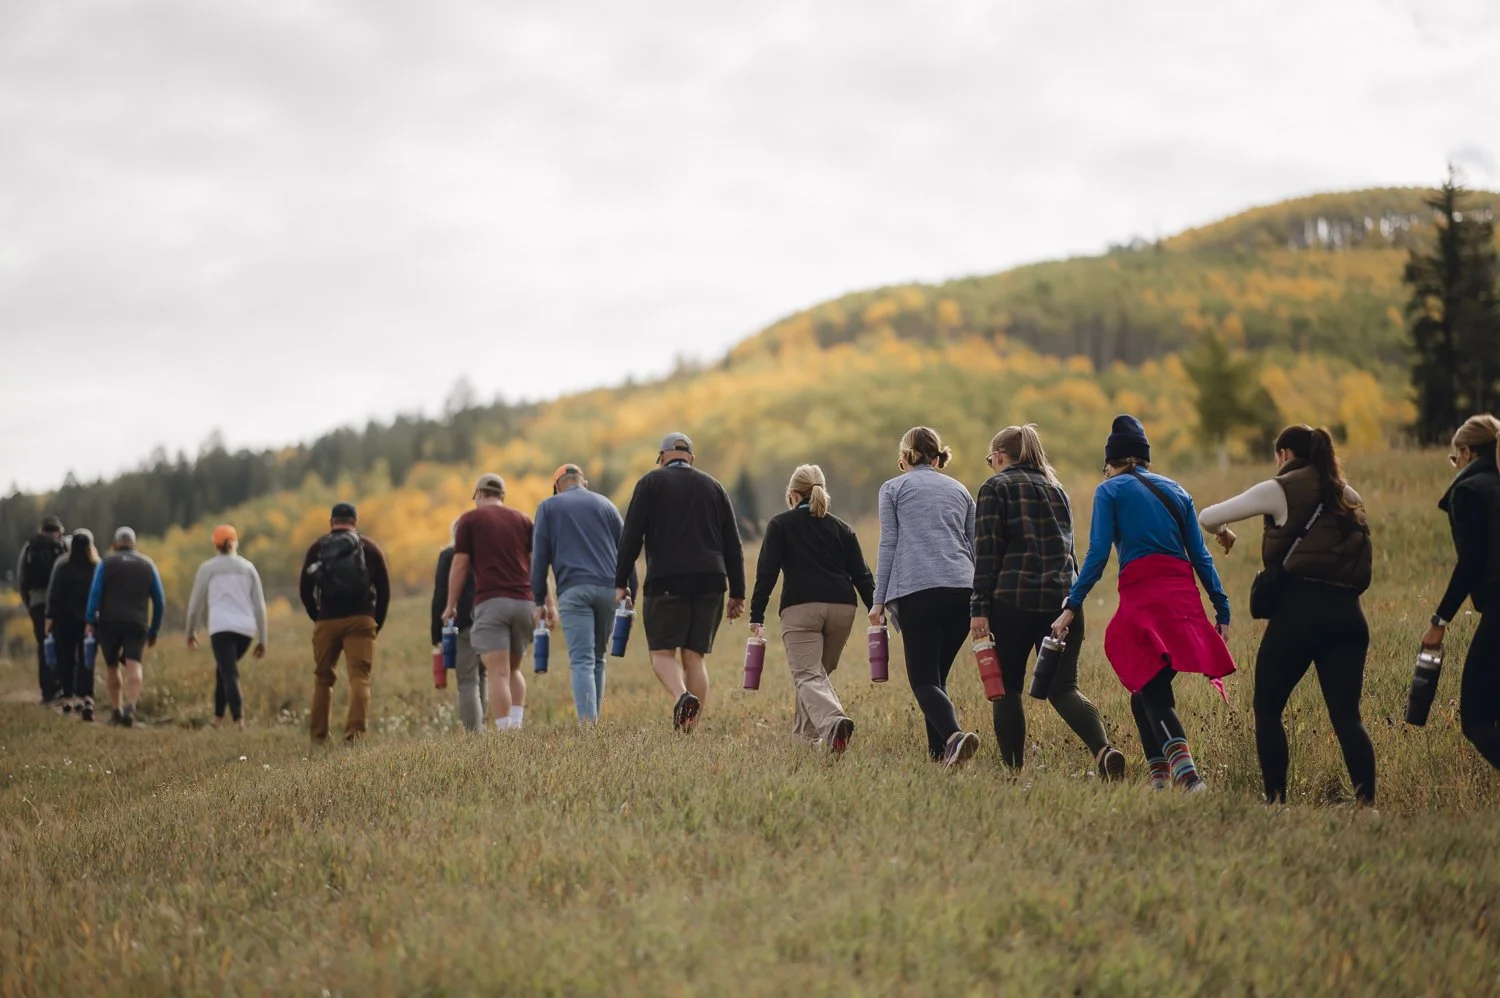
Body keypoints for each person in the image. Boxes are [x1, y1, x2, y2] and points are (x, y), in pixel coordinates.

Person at [1052, 416, 1234, 793]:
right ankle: (1160, 781)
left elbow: (1098, 553)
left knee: (1152, 691)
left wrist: (1073, 602)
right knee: (1143, 694)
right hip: (1182, 595)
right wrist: (1221, 607)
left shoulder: (1110, 491)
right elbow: (1201, 556)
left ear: (1113, 460)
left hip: (1144, 598)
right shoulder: (1177, 491)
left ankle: (1189, 778)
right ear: (1145, 458)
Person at [1200, 425, 1375, 805]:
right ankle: (1367, 806)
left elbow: (1208, 516)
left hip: (1299, 614)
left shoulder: (1278, 488)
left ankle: (1277, 803)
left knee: (1267, 707)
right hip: (1349, 616)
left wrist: (1225, 534)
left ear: (1283, 454)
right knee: (1347, 717)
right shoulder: (1349, 496)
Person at [969, 425, 1125, 778]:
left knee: (1007, 688)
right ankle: (1103, 751)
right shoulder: (1057, 489)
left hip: (1013, 602)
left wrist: (979, 609)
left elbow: (987, 554)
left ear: (1000, 456)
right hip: (1062, 604)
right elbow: (1068, 552)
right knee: (1064, 688)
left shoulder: (995, 487)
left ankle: (1013, 773)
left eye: (990, 458)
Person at [614, 432, 746, 733]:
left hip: (667, 579)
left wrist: (620, 582)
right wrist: (737, 592)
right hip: (711, 580)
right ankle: (690, 729)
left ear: (662, 458)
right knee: (694, 656)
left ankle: (682, 695)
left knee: (661, 653)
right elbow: (733, 544)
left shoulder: (650, 483)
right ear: (691, 458)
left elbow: (631, 538)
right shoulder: (714, 486)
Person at [870, 426, 982, 767]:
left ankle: (954, 737)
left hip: (919, 591)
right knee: (935, 679)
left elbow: (889, 543)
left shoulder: (893, 488)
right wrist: (983, 598)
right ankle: (939, 757)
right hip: (963, 592)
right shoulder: (960, 490)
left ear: (904, 457)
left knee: (922, 680)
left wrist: (878, 601)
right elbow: (977, 546)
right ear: (937, 457)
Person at [749, 464, 873, 753]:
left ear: (793, 495)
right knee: (815, 676)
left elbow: (766, 574)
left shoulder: (780, 525)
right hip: (843, 609)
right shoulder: (843, 528)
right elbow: (862, 574)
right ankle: (804, 741)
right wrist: (875, 609)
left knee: (806, 676)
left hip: (801, 609)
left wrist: (756, 615)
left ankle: (834, 722)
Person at [1421, 414, 1500, 770]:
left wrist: (1440, 619)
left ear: (1466, 452)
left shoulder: (1469, 491)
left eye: (1456, 457)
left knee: (1477, 719)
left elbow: (1470, 563)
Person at [532, 463, 635, 724]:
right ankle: (594, 723)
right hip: (609, 589)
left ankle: (589, 727)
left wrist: (538, 600)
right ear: (583, 482)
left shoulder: (548, 507)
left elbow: (540, 559)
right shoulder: (606, 505)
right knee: (598, 657)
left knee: (581, 660)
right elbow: (627, 550)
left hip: (574, 590)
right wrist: (630, 588)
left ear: (557, 487)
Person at [444, 474, 534, 732]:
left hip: (491, 603)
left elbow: (460, 565)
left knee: (498, 672)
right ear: (502, 495)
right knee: (514, 669)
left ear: (479, 494)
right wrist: (546, 602)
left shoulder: (469, 520)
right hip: (524, 603)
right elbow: (535, 564)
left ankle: (505, 731)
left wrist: (450, 605)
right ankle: (515, 727)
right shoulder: (523, 519)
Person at [299, 502, 391, 743]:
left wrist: (317, 616)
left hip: (327, 620)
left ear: (332, 522)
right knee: (359, 677)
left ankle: (319, 738)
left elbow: (304, 589)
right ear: (355, 521)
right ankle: (354, 736)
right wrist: (374, 622)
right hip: (361, 619)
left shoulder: (317, 548)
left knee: (323, 678)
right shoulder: (370, 548)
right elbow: (384, 590)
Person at [186, 525, 269, 730]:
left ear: (215, 545)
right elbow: (259, 606)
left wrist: (191, 632)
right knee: (223, 669)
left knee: (228, 671)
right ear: (235, 542)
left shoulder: (208, 568)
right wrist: (262, 639)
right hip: (246, 631)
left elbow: (195, 604)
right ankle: (217, 719)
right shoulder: (248, 567)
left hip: (221, 628)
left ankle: (239, 720)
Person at [85, 526, 166, 727]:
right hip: (137, 622)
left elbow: (95, 595)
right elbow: (159, 601)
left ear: (115, 544)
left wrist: (90, 621)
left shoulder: (105, 563)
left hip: (109, 622)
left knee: (112, 666)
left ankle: (116, 710)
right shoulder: (148, 565)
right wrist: (154, 630)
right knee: (134, 665)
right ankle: (131, 707)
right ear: (134, 545)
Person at [432, 519, 485, 732]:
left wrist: (436, 636)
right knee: (484, 675)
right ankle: (484, 726)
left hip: (461, 625)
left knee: (467, 681)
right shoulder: (485, 552)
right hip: (488, 621)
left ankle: (475, 734)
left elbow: (440, 597)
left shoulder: (448, 555)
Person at [45, 529, 99, 720]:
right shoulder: (95, 566)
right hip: (88, 621)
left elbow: (54, 593)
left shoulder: (62, 565)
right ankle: (86, 697)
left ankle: (68, 698)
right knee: (87, 660)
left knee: (66, 660)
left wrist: (49, 618)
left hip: (64, 620)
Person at [16, 514, 67, 704]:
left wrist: (29, 604)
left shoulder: (30, 547)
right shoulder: (62, 547)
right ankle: (63, 687)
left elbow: (21, 579)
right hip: (60, 604)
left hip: (37, 603)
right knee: (62, 644)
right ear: (58, 531)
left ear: (41, 530)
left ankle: (47, 693)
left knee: (43, 645)